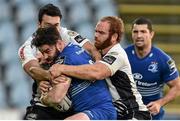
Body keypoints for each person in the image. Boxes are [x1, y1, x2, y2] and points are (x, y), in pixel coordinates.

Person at [48, 16, 152, 120]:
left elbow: (97, 72)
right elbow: (70, 36)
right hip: (113, 113)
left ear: (114, 37)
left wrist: (61, 68)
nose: (96, 35)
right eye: (96, 31)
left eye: (101, 33)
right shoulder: (97, 51)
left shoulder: (117, 53)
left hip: (134, 113)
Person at [18, 4, 101, 120]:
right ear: (39, 24)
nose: (53, 29)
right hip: (45, 103)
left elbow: (93, 50)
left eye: (56, 25)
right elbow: (33, 70)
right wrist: (47, 76)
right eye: (48, 25)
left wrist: (97, 66)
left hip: (71, 104)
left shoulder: (66, 34)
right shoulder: (28, 47)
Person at [31, 26, 117, 120]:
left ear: (59, 44)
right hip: (100, 110)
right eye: (42, 53)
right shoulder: (75, 48)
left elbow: (56, 97)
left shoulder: (63, 61)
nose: (46, 56)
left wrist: (44, 99)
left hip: (99, 112)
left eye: (48, 51)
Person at [124, 17, 180, 119]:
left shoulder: (163, 60)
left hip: (152, 116)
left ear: (151, 34)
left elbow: (177, 86)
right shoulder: (123, 55)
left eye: (143, 31)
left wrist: (159, 103)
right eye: (135, 32)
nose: (139, 35)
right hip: (127, 113)